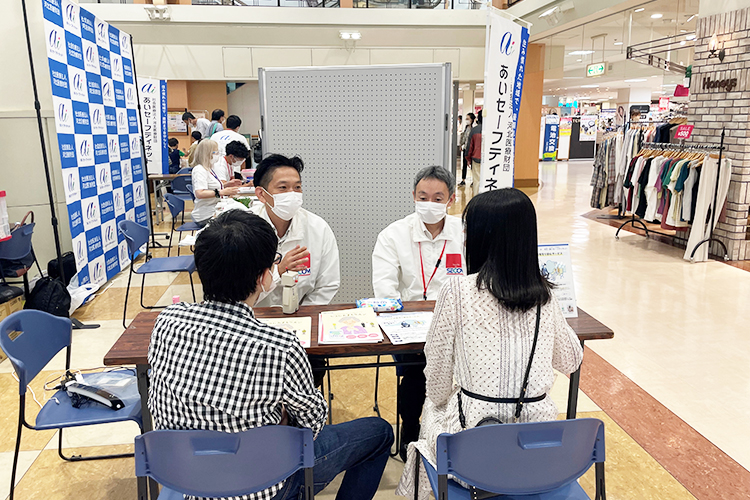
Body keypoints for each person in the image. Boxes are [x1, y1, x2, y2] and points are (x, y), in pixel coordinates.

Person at [148, 209, 394, 500]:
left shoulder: (166, 321)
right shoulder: (280, 346)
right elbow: (312, 425)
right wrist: (281, 420)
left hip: (186, 476)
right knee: (379, 433)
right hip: (260, 484)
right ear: (266, 277)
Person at [395, 189, 584, 500]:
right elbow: (571, 360)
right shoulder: (545, 297)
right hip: (540, 457)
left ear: (484, 236)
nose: (465, 238)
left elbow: (439, 383)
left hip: (473, 458)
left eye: (468, 229)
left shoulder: (458, 290)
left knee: (432, 416)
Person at [372, 165, 465, 461]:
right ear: (413, 196)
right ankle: (411, 431)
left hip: (458, 322)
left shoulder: (465, 232)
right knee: (416, 373)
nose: (430, 203)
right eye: (423, 196)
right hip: (409, 325)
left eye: (438, 198)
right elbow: (384, 288)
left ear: (450, 199)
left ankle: (458, 430)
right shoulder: (393, 234)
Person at [252, 154, 340, 308]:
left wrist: (304, 315)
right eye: (283, 187)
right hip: (254, 318)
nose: (292, 194)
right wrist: (277, 272)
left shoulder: (318, 228)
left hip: (303, 318)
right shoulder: (244, 229)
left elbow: (327, 284)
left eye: (297, 187)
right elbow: (238, 292)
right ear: (261, 194)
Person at [190, 139, 239, 227]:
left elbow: (210, 186)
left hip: (213, 209)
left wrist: (226, 185)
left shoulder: (209, 169)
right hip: (205, 215)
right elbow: (199, 193)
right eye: (215, 152)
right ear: (208, 153)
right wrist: (221, 192)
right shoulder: (199, 170)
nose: (217, 155)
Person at [466, 110, 482, 195]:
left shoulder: (474, 130)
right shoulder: (493, 130)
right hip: (490, 159)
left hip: (476, 159)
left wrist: (468, 158)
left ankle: (477, 199)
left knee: (477, 181)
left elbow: (470, 146)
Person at [458, 112, 475, 187]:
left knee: (472, 165)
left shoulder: (474, 128)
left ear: (472, 119)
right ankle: (463, 179)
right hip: (466, 148)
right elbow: (464, 137)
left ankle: (474, 180)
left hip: (472, 149)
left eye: (468, 119)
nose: (466, 120)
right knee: (464, 164)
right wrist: (461, 144)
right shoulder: (466, 127)